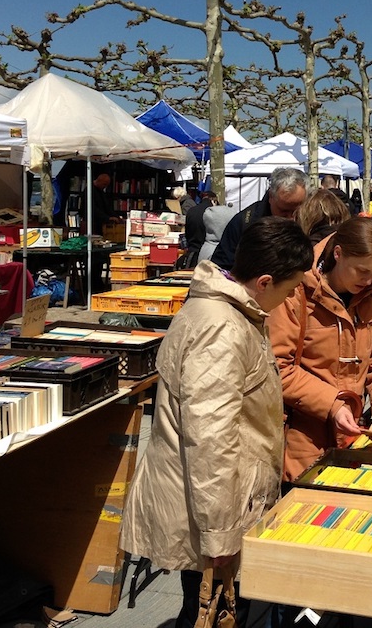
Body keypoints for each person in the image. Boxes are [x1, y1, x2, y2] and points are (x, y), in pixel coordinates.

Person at [120, 217, 315, 628]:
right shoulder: (222, 328)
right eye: (289, 289)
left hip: (219, 496)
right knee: (211, 608)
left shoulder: (230, 311)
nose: (291, 298)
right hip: (214, 504)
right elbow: (210, 437)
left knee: (209, 605)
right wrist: (219, 532)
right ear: (264, 281)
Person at [268, 216, 372, 482]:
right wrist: (332, 404)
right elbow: (277, 367)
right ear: (338, 254)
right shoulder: (296, 290)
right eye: (362, 271)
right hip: (301, 438)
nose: (369, 280)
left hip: (352, 435)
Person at [211, 167, 307, 269]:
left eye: (297, 211)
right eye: (284, 211)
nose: (291, 218)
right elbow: (221, 268)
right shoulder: (244, 223)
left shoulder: (312, 220)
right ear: (271, 197)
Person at [183, 190, 216, 269]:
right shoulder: (213, 212)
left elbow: (187, 232)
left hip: (192, 252)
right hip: (208, 253)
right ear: (213, 200)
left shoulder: (191, 211)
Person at [90, 171, 119, 235]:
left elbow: (107, 207)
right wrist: (108, 218)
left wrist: (117, 217)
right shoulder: (89, 191)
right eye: (104, 184)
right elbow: (93, 209)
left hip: (100, 222)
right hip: (92, 222)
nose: (105, 187)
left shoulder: (101, 192)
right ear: (99, 181)